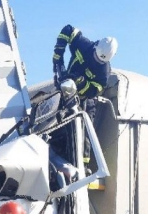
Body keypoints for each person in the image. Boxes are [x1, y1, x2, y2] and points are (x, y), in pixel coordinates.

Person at [52, 25, 117, 165]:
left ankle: (82, 166)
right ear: (96, 46)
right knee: (56, 125)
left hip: (85, 101)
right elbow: (68, 30)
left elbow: (94, 90)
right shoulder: (84, 45)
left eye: (101, 61)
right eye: (96, 57)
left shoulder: (103, 72)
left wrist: (81, 84)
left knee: (83, 132)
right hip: (65, 92)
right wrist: (58, 53)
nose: (96, 61)